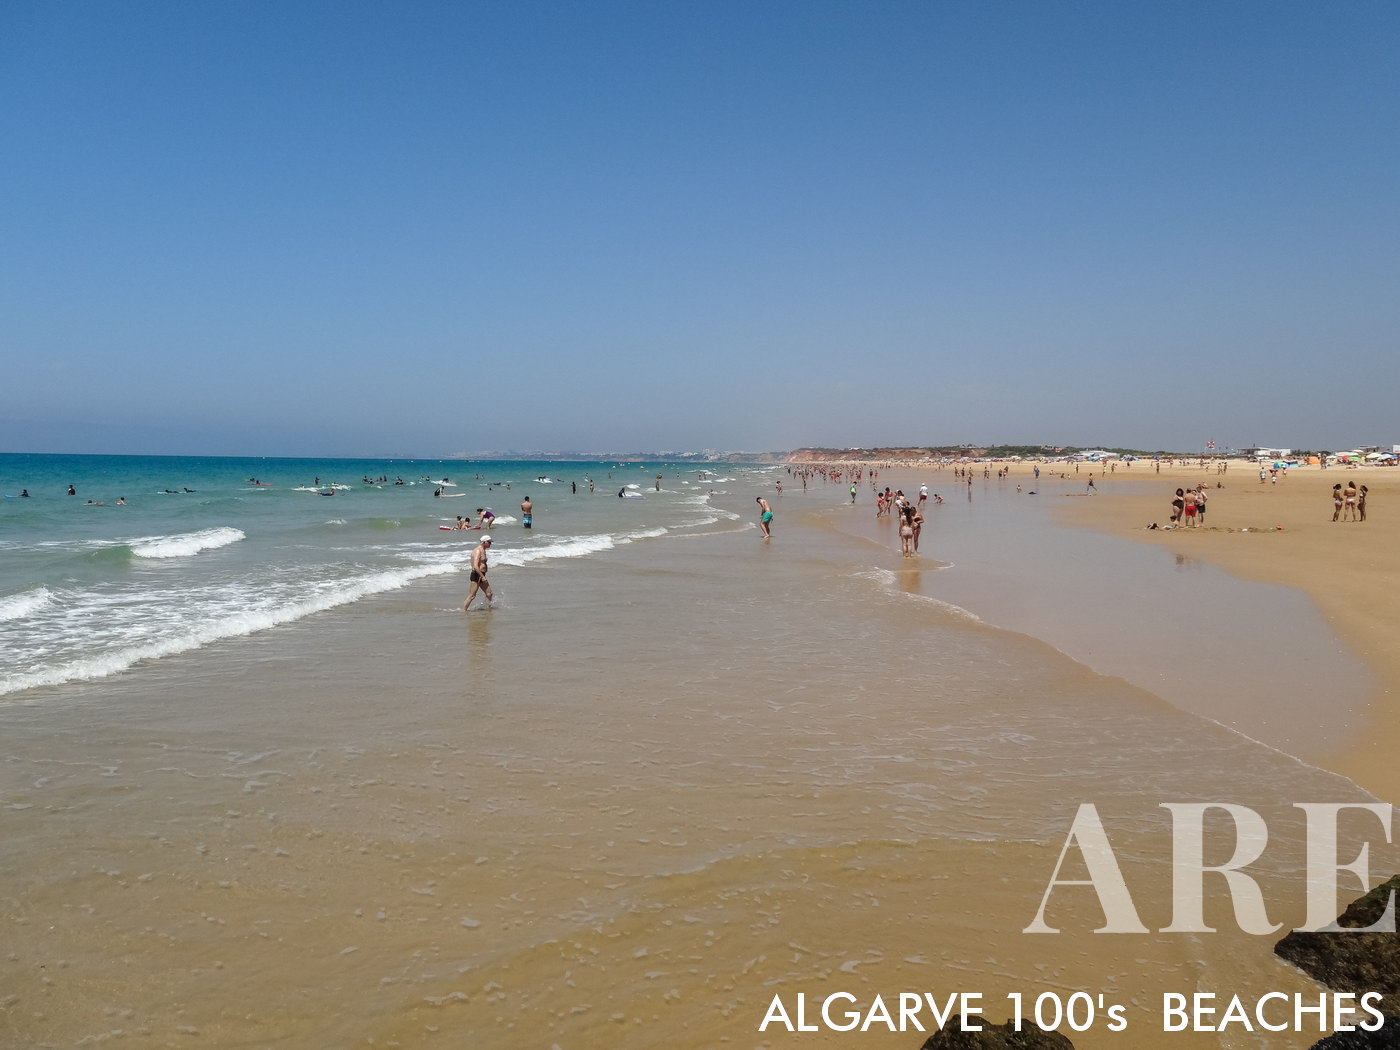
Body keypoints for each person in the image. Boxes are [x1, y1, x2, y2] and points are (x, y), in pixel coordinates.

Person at [463, 535, 494, 611]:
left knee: (489, 593)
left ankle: (487, 608)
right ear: (484, 542)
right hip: (477, 575)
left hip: (482, 575)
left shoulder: (483, 550)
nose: (490, 544)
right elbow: (475, 566)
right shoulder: (478, 551)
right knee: (472, 595)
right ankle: (464, 610)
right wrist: (482, 577)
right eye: (489, 542)